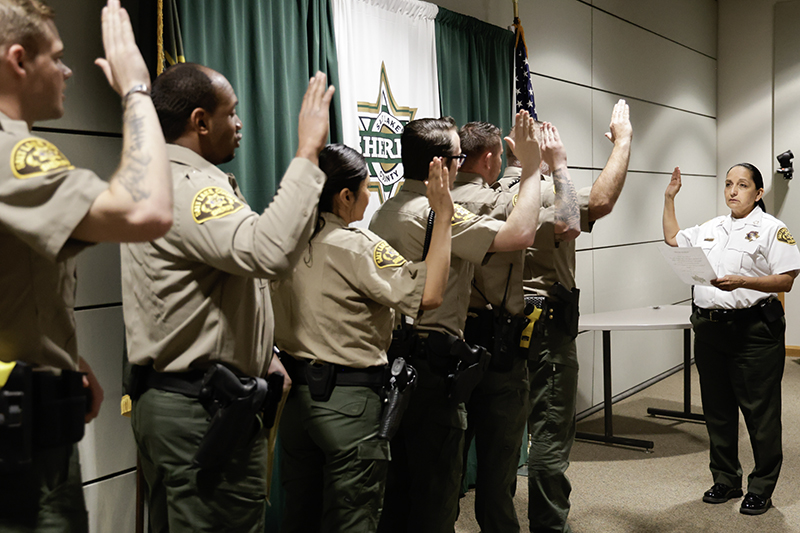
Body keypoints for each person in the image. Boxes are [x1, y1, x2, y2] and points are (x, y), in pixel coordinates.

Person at [121, 63, 334, 532]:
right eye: (231, 114)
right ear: (200, 122)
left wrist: (264, 352)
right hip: (202, 409)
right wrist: (307, 150)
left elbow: (234, 275)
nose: (240, 125)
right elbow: (269, 251)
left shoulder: (164, 178)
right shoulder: (189, 187)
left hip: (191, 401)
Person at [0, 0, 173, 530]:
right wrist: (138, 92)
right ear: (17, 60)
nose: (68, 70)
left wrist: (67, 359)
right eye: (57, 56)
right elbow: (145, 210)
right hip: (20, 446)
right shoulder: (12, 152)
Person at [371, 110, 542, 533]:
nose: (462, 160)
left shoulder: (385, 211)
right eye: (456, 155)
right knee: (437, 494)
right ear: (442, 166)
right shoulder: (434, 216)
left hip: (393, 363)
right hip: (432, 368)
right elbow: (520, 234)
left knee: (400, 490)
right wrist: (534, 168)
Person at [272, 143, 453, 532]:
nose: (370, 197)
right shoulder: (356, 246)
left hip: (295, 406)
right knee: (353, 517)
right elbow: (430, 295)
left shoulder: (281, 243)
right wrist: (444, 218)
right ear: (345, 196)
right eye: (367, 186)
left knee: (299, 516)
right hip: (348, 404)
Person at [496, 100, 632, 533]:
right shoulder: (553, 191)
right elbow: (602, 201)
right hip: (544, 326)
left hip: (497, 326)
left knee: (500, 438)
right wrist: (618, 143)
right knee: (549, 433)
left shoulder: (488, 193)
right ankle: (549, 526)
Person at [453, 120, 581, 532]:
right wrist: (555, 166)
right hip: (500, 340)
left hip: (450, 343)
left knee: (444, 460)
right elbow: (569, 222)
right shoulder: (509, 202)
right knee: (502, 457)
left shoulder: (438, 197)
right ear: (492, 156)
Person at [663, 163, 800, 516]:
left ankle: (762, 486)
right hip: (710, 330)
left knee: (760, 412)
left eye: (742, 185)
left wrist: (743, 281)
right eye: (728, 184)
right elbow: (673, 239)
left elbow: (785, 280)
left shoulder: (773, 229)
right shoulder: (712, 227)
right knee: (718, 409)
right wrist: (669, 198)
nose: (733, 191)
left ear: (758, 193)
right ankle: (725, 478)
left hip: (753, 331)